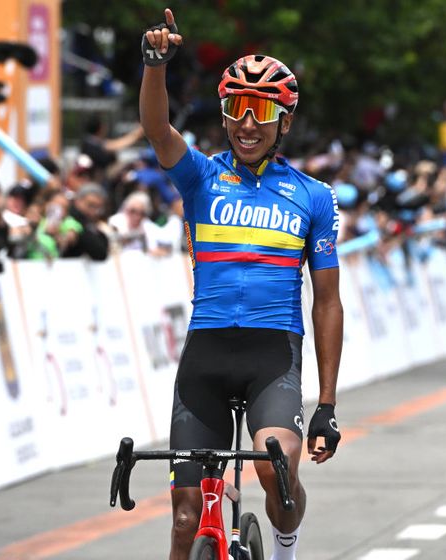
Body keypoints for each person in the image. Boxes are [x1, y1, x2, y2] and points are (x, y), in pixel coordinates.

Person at [141, 9, 343, 560]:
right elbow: (157, 129)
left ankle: (284, 550)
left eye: (262, 111)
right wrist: (155, 66)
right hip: (206, 354)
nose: (247, 124)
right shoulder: (201, 177)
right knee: (186, 519)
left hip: (271, 354)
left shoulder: (313, 196)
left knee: (276, 471)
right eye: (236, 109)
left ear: (285, 122)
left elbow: (327, 303)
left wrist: (326, 403)